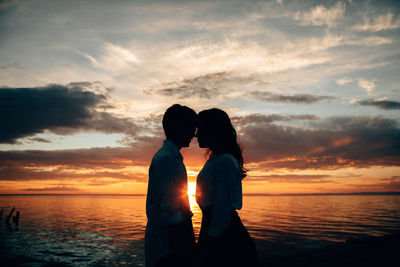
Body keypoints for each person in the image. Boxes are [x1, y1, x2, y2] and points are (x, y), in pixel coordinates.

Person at [195, 108, 259, 267]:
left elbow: (222, 210)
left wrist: (209, 243)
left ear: (212, 130)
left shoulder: (225, 161)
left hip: (225, 236)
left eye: (200, 128)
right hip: (214, 229)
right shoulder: (215, 159)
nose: (196, 134)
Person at [145, 104, 197, 267]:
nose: (193, 134)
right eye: (190, 127)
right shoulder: (167, 159)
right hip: (167, 248)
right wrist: (187, 249)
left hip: (167, 245)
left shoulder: (171, 157)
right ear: (178, 128)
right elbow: (170, 211)